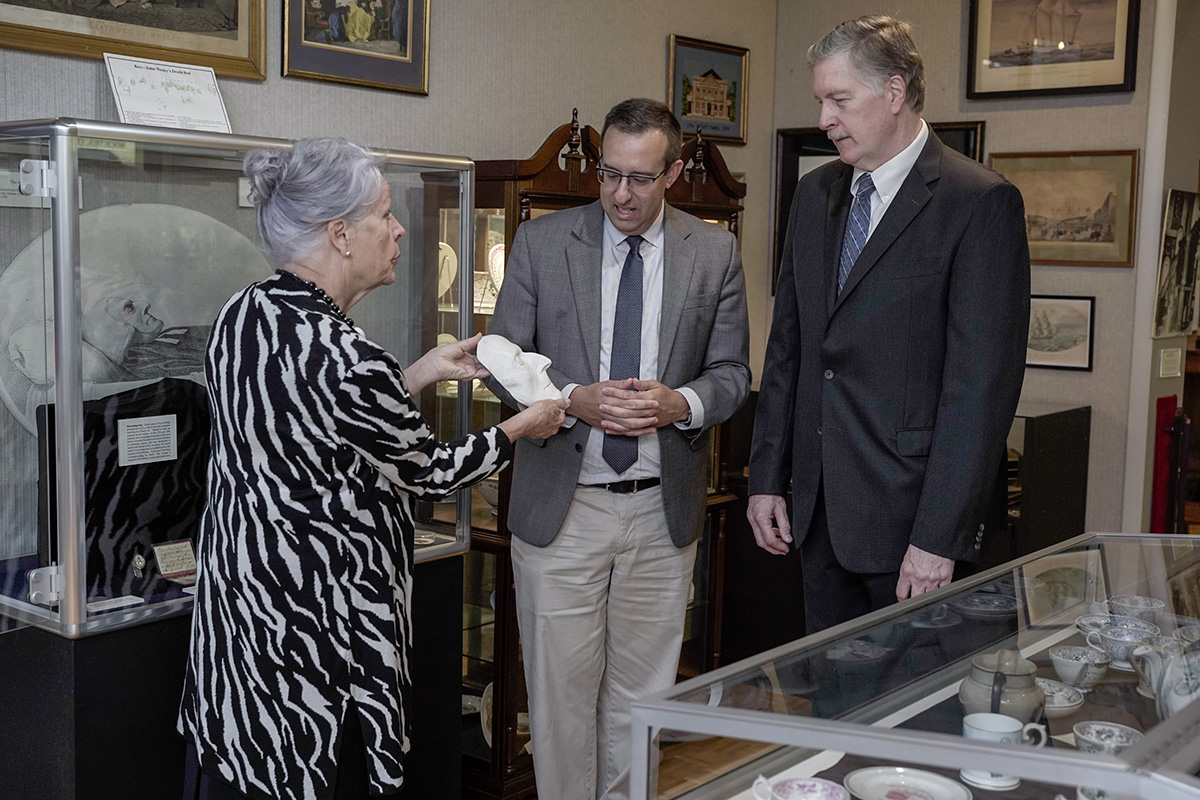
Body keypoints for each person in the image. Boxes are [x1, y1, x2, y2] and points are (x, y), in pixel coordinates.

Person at [177, 138, 566, 800]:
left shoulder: (243, 313)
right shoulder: (348, 356)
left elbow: (312, 424)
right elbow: (431, 473)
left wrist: (414, 374)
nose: (397, 231)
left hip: (243, 616)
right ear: (340, 234)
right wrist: (523, 426)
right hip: (319, 640)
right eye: (383, 215)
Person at [487, 97, 750, 800]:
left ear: (673, 172)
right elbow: (500, 354)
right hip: (561, 510)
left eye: (639, 178)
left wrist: (680, 404)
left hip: (662, 516)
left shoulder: (714, 251)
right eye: (609, 175)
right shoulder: (544, 242)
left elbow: (732, 374)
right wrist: (572, 399)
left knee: (641, 703)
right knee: (560, 700)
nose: (621, 195)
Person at [747, 16, 1030, 633]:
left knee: (911, 717)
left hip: (913, 532)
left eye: (839, 100)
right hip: (816, 517)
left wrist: (940, 538)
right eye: (821, 100)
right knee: (832, 710)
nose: (823, 119)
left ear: (895, 93)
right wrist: (766, 478)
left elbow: (980, 390)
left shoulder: (978, 202)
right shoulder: (815, 195)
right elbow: (789, 347)